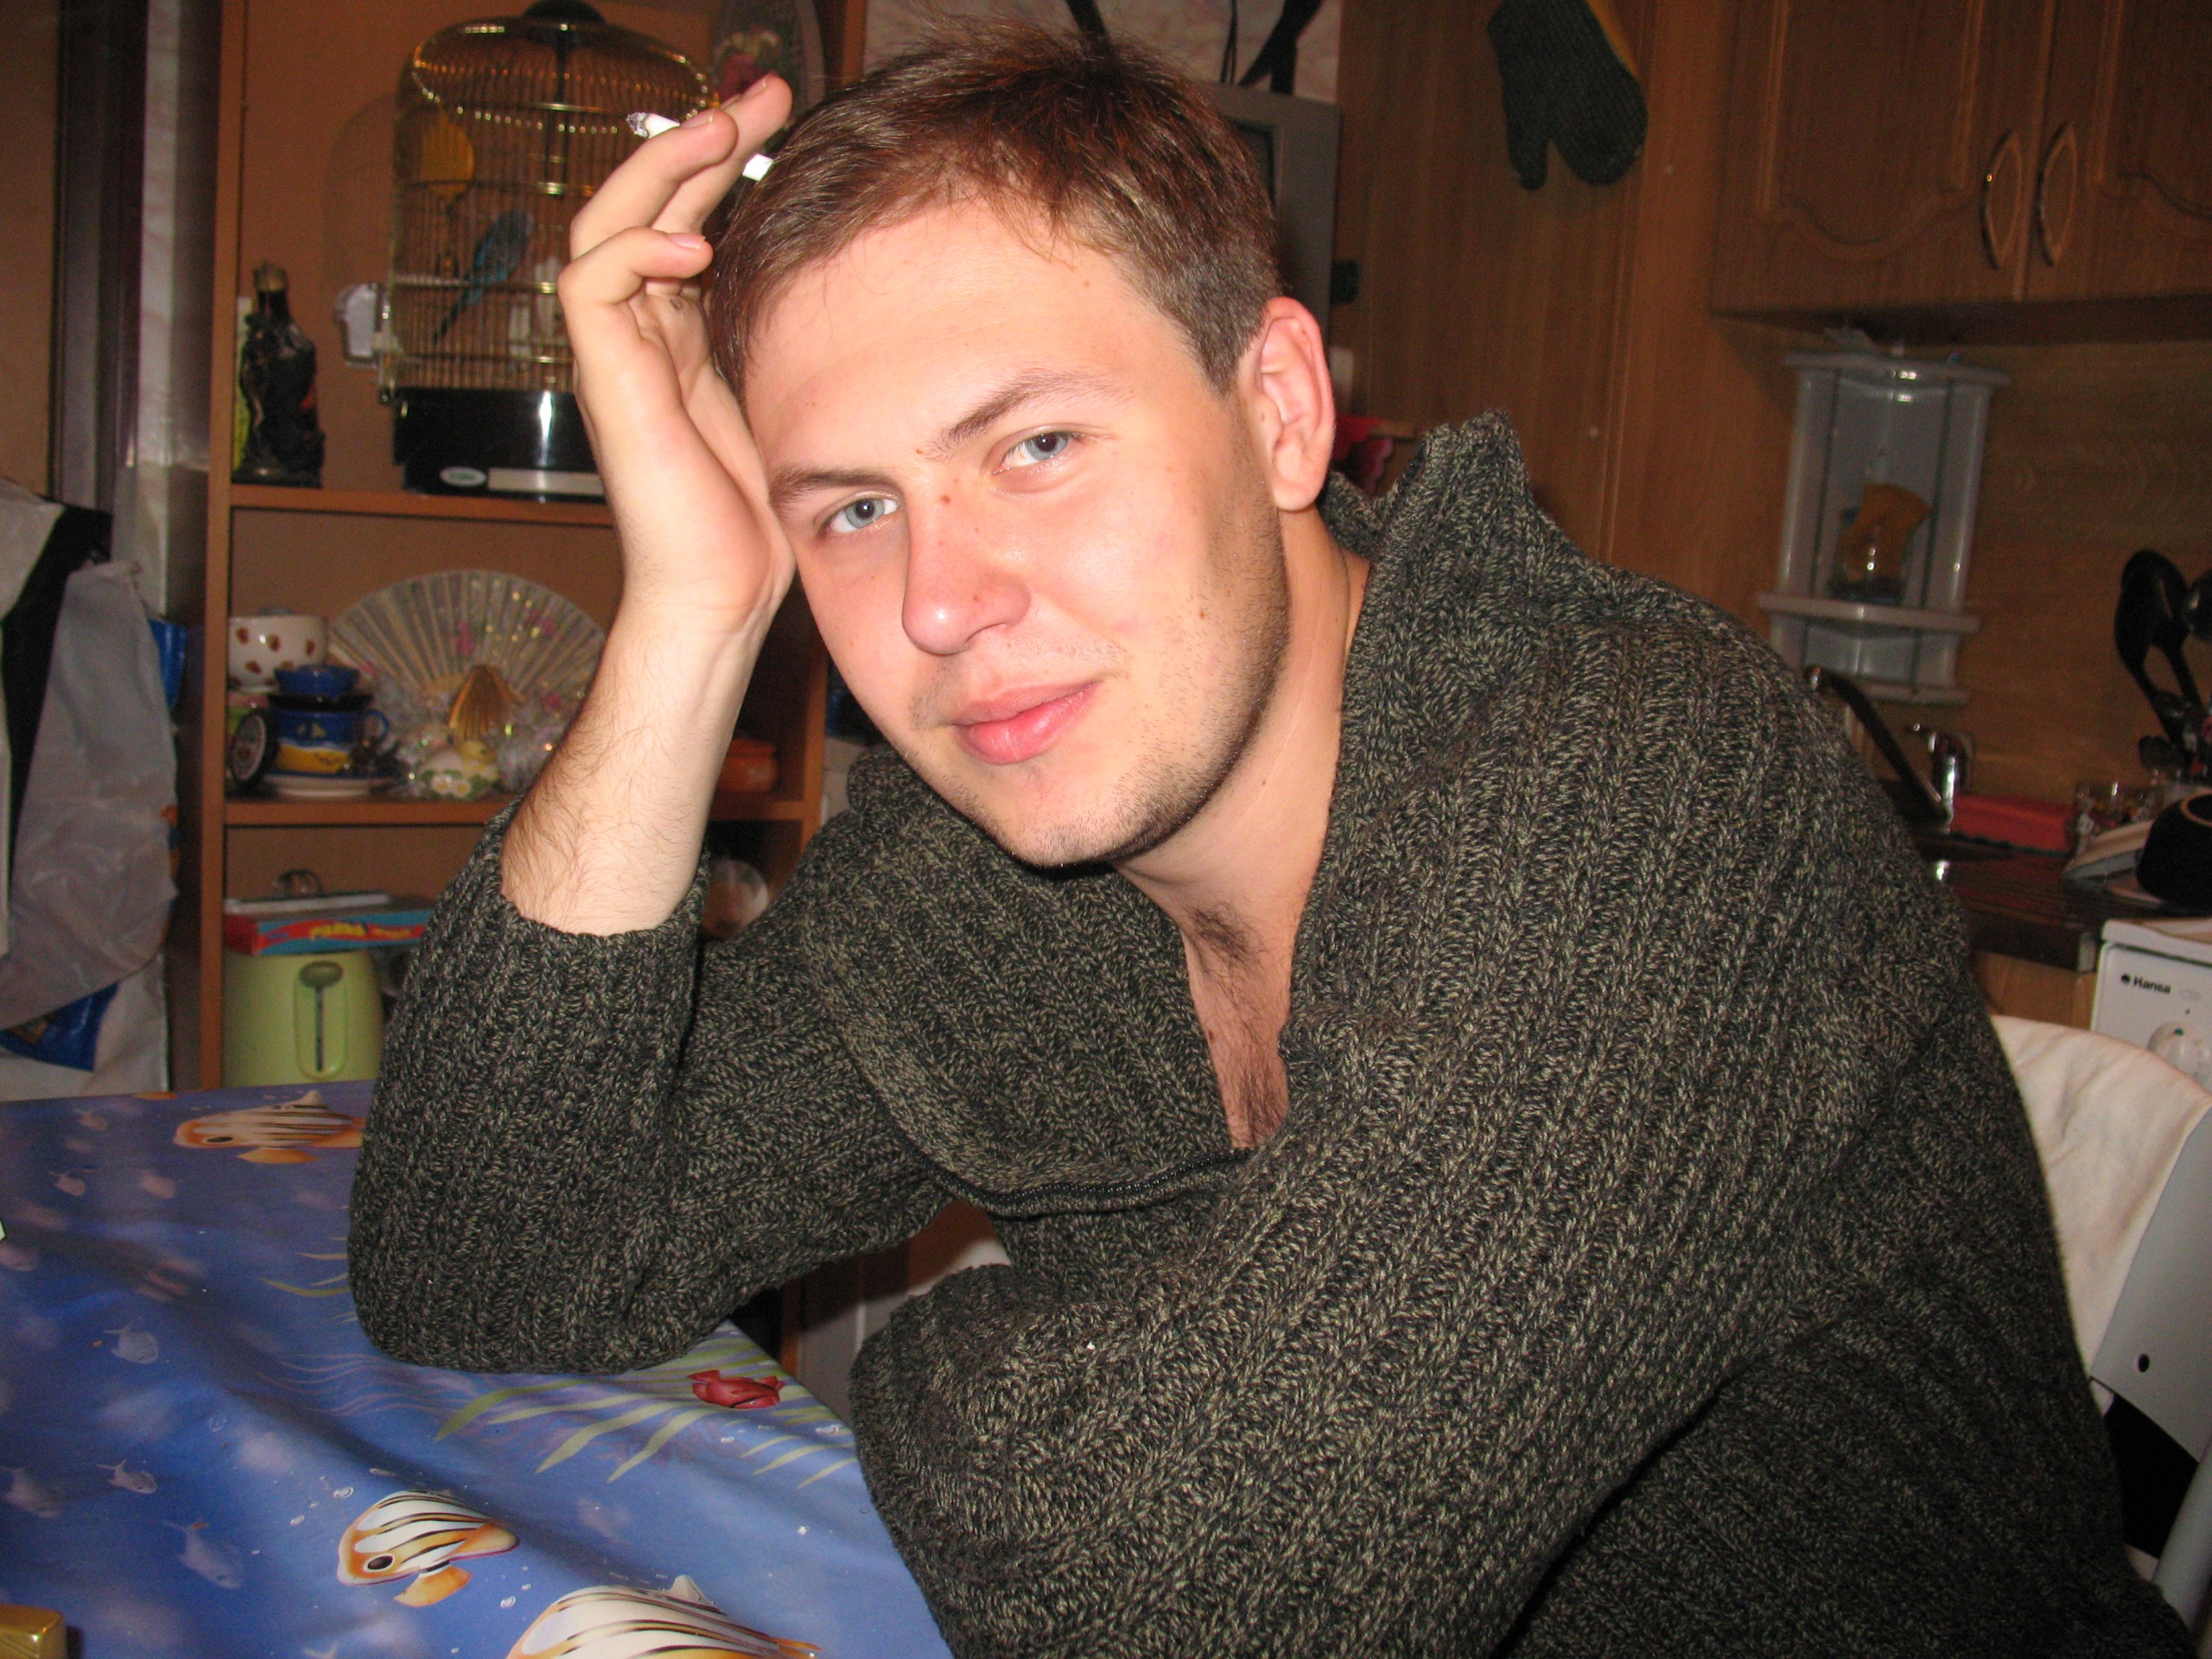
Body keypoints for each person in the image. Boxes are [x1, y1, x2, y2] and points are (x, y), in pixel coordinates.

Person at [349, 26, 2188, 1657]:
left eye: (1036, 446)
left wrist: (916, 1361)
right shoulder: (976, 871)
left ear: (1282, 410)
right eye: (850, 509)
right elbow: (478, 1260)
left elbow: (1198, 1600)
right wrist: (688, 614)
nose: (938, 605)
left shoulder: (1643, 784)